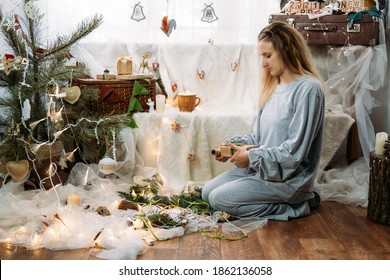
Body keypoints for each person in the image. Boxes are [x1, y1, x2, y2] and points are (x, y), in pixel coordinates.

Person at [201, 21, 325, 221]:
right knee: (207, 192)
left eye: (268, 56)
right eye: (262, 56)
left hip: (287, 179)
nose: (263, 64)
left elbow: (295, 153)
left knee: (219, 200)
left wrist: (251, 157)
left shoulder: (309, 89)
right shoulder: (272, 87)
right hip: (262, 169)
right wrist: (235, 147)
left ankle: (299, 205)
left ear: (287, 51)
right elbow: (258, 137)